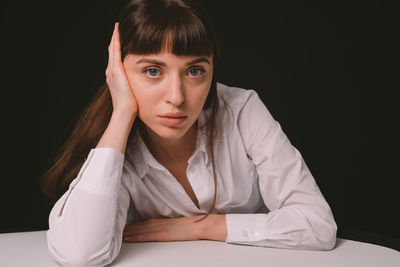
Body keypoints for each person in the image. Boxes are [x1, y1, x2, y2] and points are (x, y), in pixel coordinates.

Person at [41, 0, 337, 266]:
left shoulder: (242, 110)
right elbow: (80, 255)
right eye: (153, 71)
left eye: (194, 71)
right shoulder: (117, 146)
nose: (177, 96)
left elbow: (319, 225)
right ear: (117, 72)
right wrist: (121, 113)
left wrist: (201, 227)